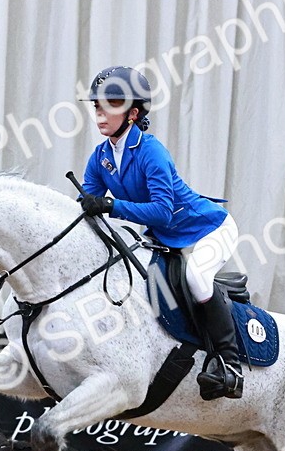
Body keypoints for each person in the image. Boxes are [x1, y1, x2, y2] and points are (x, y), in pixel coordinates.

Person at [77, 66, 243, 400]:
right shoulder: (100, 157)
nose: (100, 113)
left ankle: (229, 363)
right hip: (164, 238)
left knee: (197, 278)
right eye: (97, 106)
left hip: (206, 229)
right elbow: (87, 206)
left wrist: (111, 206)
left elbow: (162, 211)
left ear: (133, 113)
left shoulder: (151, 151)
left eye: (110, 105)